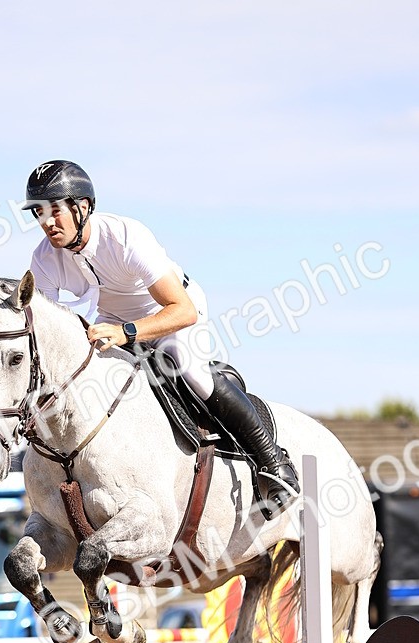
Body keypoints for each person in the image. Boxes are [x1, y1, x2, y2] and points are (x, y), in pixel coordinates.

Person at [21, 159, 299, 509]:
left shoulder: (125, 237)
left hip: (171, 311)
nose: (45, 222)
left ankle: (273, 461)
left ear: (83, 207)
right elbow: (43, 328)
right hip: (113, 320)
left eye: (54, 211)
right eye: (38, 213)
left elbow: (182, 310)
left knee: (188, 369)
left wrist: (128, 332)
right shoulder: (44, 258)